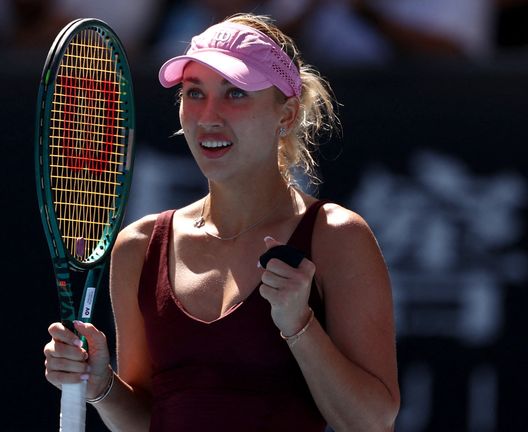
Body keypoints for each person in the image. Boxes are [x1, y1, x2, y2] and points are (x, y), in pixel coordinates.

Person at [44, 13, 400, 431]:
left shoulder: (337, 237)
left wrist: (299, 326)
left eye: (235, 93)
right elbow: (150, 421)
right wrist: (102, 386)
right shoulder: (138, 247)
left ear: (286, 114)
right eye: (194, 93)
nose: (208, 115)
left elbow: (372, 423)